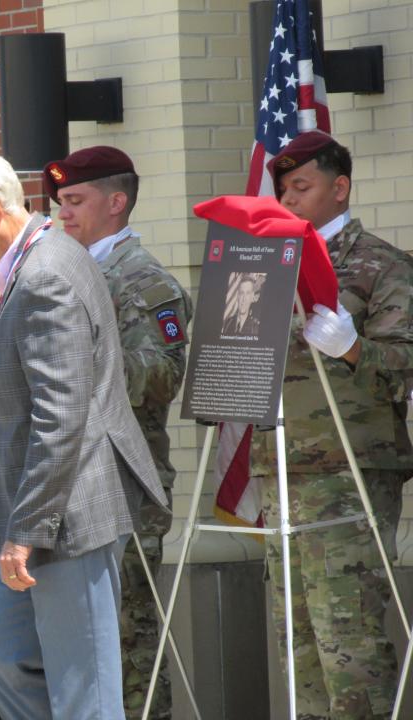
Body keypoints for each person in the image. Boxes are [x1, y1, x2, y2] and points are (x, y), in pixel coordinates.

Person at [0, 147, 168, 719]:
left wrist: (26, 531)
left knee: (86, 693)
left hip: (70, 514)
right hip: (44, 512)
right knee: (4, 658)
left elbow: (61, 418)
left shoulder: (44, 275)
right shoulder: (41, 261)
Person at [255, 130, 413, 719]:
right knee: (296, 641)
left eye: (303, 186)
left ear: (339, 187)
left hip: (349, 466)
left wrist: (353, 349)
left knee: (347, 638)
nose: (289, 199)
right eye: (282, 188)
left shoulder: (381, 264)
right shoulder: (269, 262)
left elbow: (405, 361)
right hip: (281, 465)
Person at [42, 145, 193, 720]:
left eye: (76, 201)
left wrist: (78, 351)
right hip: (74, 483)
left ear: (117, 201)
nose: (64, 214)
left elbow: (162, 376)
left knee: (128, 635)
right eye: (60, 203)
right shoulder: (69, 275)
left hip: (127, 483)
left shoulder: (145, 283)